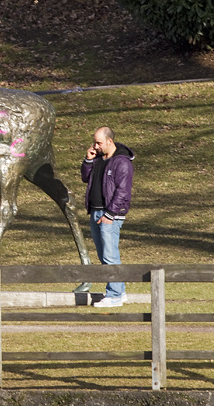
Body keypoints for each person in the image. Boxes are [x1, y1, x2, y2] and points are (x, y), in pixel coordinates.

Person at [81, 126, 135, 308]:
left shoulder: (122, 162)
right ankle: (120, 290)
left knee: (110, 256)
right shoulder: (98, 159)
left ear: (109, 141)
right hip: (96, 211)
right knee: (104, 255)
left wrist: (110, 214)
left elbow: (123, 192)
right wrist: (88, 161)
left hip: (110, 215)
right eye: (94, 142)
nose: (95, 146)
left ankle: (114, 295)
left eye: (99, 143)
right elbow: (86, 178)